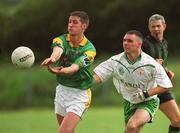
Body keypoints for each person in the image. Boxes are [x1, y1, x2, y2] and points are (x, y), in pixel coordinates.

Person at [93, 30, 173, 133]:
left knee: (132, 126)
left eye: (130, 41)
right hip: (128, 102)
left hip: (148, 102)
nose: (126, 43)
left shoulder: (151, 64)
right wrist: (83, 82)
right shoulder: (115, 60)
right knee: (133, 130)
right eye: (124, 40)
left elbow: (166, 86)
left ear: (139, 44)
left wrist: (145, 94)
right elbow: (98, 77)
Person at [41, 11, 96, 133]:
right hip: (62, 91)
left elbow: (75, 67)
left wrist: (61, 70)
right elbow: (58, 49)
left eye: (75, 22)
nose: (70, 25)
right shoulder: (61, 39)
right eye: (69, 21)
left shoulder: (90, 50)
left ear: (84, 26)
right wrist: (53, 59)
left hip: (79, 94)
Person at [142, 14, 180, 133]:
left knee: (177, 120)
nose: (156, 29)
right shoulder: (144, 44)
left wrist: (167, 71)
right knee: (135, 126)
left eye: (158, 26)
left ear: (164, 26)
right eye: (153, 26)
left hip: (162, 87)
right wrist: (152, 63)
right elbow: (135, 64)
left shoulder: (164, 43)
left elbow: (161, 64)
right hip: (146, 89)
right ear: (149, 28)